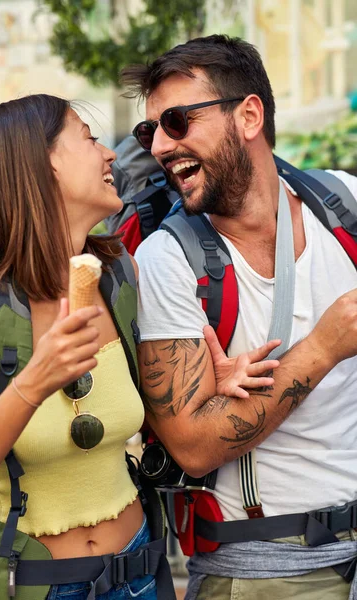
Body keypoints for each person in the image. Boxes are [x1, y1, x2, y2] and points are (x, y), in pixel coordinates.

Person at [0, 93, 279, 600]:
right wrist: (33, 383)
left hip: (141, 573)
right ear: (40, 166)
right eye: (88, 139)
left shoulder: (118, 276)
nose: (111, 155)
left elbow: (141, 415)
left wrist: (202, 383)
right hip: (31, 585)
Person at [121, 34, 357, 600]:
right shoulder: (167, 259)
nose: (158, 145)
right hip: (263, 572)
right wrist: (325, 346)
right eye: (148, 130)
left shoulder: (343, 204)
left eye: (177, 120)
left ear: (248, 115)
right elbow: (194, 446)